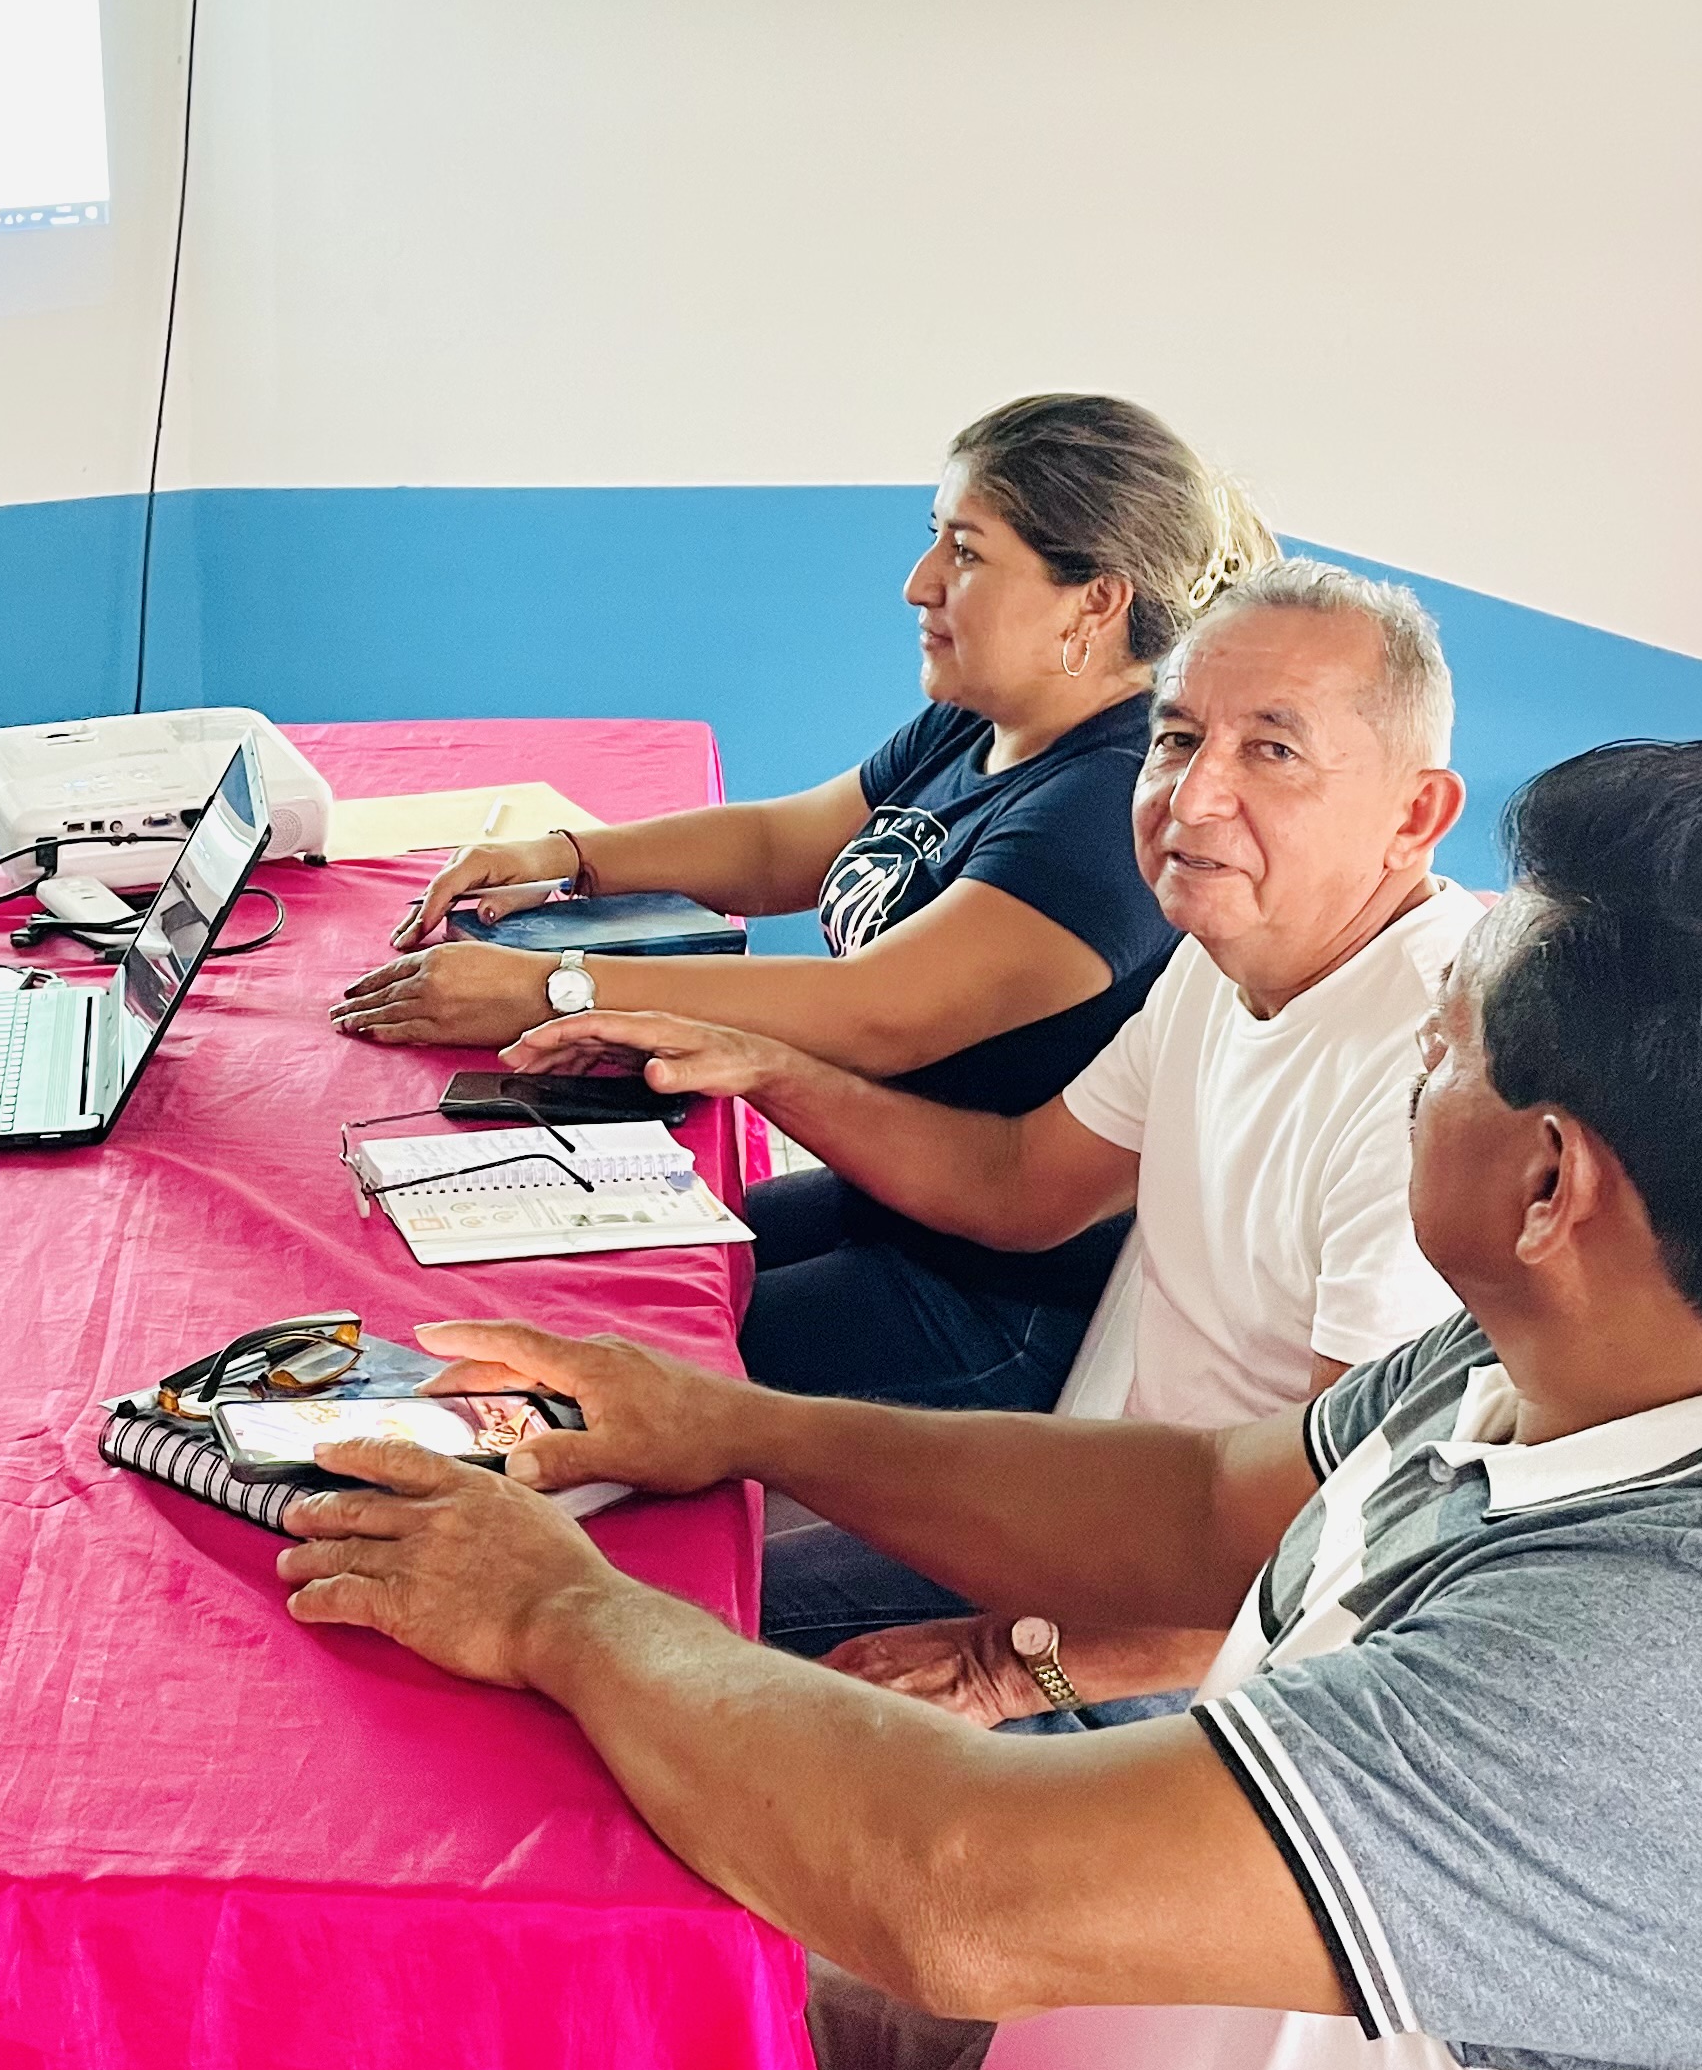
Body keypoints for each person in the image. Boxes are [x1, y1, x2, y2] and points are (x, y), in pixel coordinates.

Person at [276, 743, 1702, 2070]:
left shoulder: (1699, 1673)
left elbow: (955, 1888)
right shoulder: (1622, 1350)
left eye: (1445, 1048)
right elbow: (1199, 1510)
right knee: (479, 2020)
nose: (1413, 1060)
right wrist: (733, 1427)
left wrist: (560, 1609)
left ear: (1548, 1184)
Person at [517, 563, 1475, 1664]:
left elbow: (1352, 1555)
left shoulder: (1440, 1087)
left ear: (1416, 814)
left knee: (641, 1619)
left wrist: (1013, 1669)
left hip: (1190, 1642)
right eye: (1175, 740)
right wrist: (765, 1068)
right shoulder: (1230, 948)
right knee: (618, 1521)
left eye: (1273, 751)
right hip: (1087, 1504)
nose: (1194, 798)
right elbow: (1021, 1186)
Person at [334, 396, 1268, 1413]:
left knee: (568, 1374)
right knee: (557, 1287)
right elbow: (785, 843)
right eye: (935, 539)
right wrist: (566, 857)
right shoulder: (985, 721)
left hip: (981, 1302)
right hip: (889, 1204)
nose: (920, 583)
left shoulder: (1102, 804)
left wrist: (551, 987)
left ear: (1093, 602)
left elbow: (877, 1011)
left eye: (966, 552)